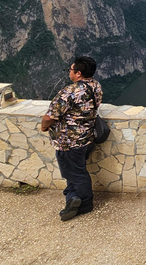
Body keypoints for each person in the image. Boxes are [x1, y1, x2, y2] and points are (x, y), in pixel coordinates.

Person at [41, 56, 103, 221]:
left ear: (78, 73)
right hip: (87, 138)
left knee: (76, 174)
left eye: (70, 69)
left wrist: (43, 126)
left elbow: (50, 116)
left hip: (68, 143)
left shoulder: (70, 92)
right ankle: (72, 199)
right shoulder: (95, 86)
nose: (69, 72)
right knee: (73, 172)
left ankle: (85, 204)